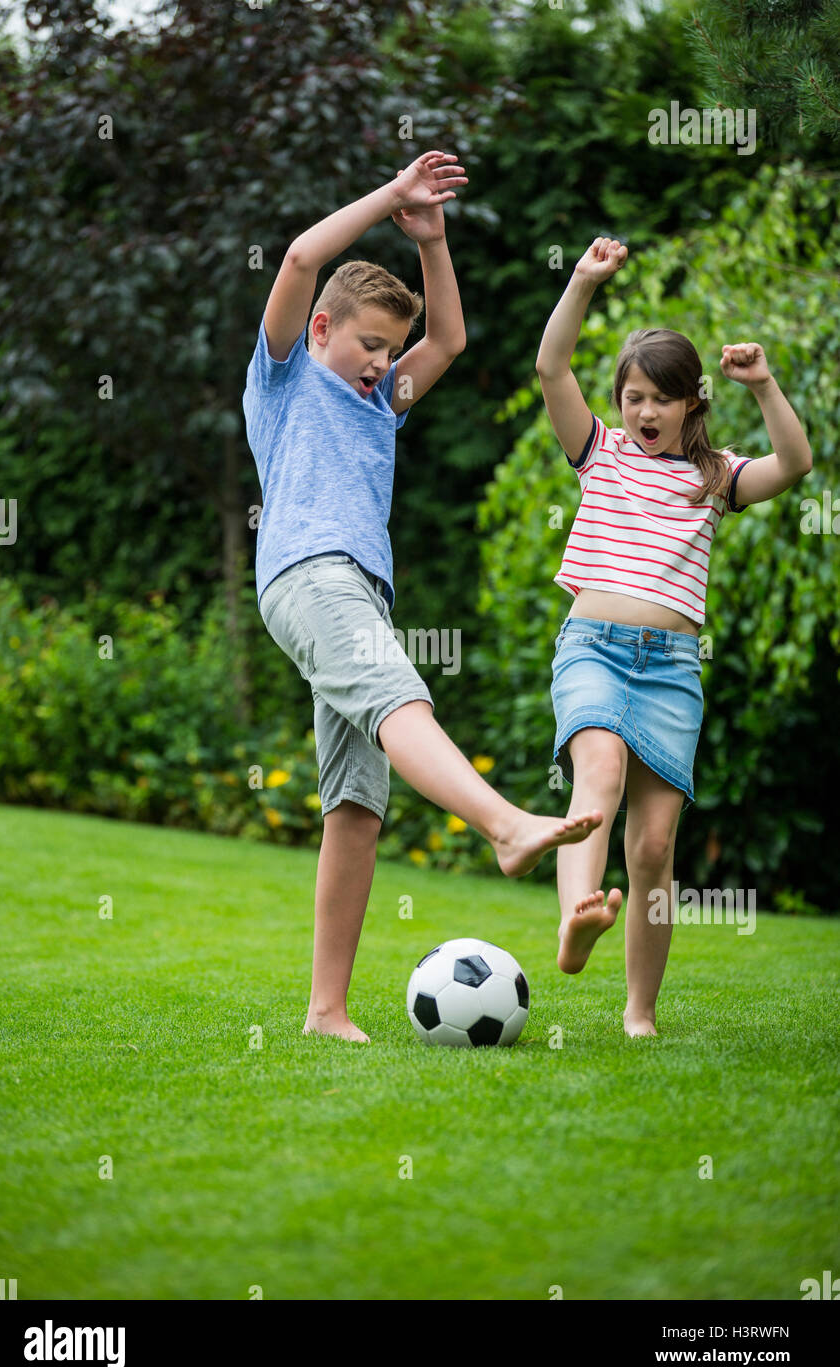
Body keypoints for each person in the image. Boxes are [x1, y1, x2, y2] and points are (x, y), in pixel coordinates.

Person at [242, 152, 602, 1043]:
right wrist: (390, 198)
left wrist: (432, 241)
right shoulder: (286, 379)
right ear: (322, 328)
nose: (382, 363)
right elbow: (296, 259)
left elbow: (449, 342)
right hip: (307, 572)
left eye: (388, 351)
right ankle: (504, 824)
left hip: (359, 588)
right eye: (368, 344)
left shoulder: (380, 403)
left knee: (357, 806)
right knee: (402, 694)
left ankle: (326, 1010)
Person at [535, 236, 813, 1035]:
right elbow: (554, 369)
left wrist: (762, 384)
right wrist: (584, 282)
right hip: (592, 646)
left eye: (661, 398)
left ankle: (640, 1011)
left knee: (654, 849)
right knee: (599, 776)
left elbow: (793, 464)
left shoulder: (715, 475)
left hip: (670, 672)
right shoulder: (601, 455)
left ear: (692, 402)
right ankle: (575, 916)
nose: (645, 412)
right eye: (633, 398)